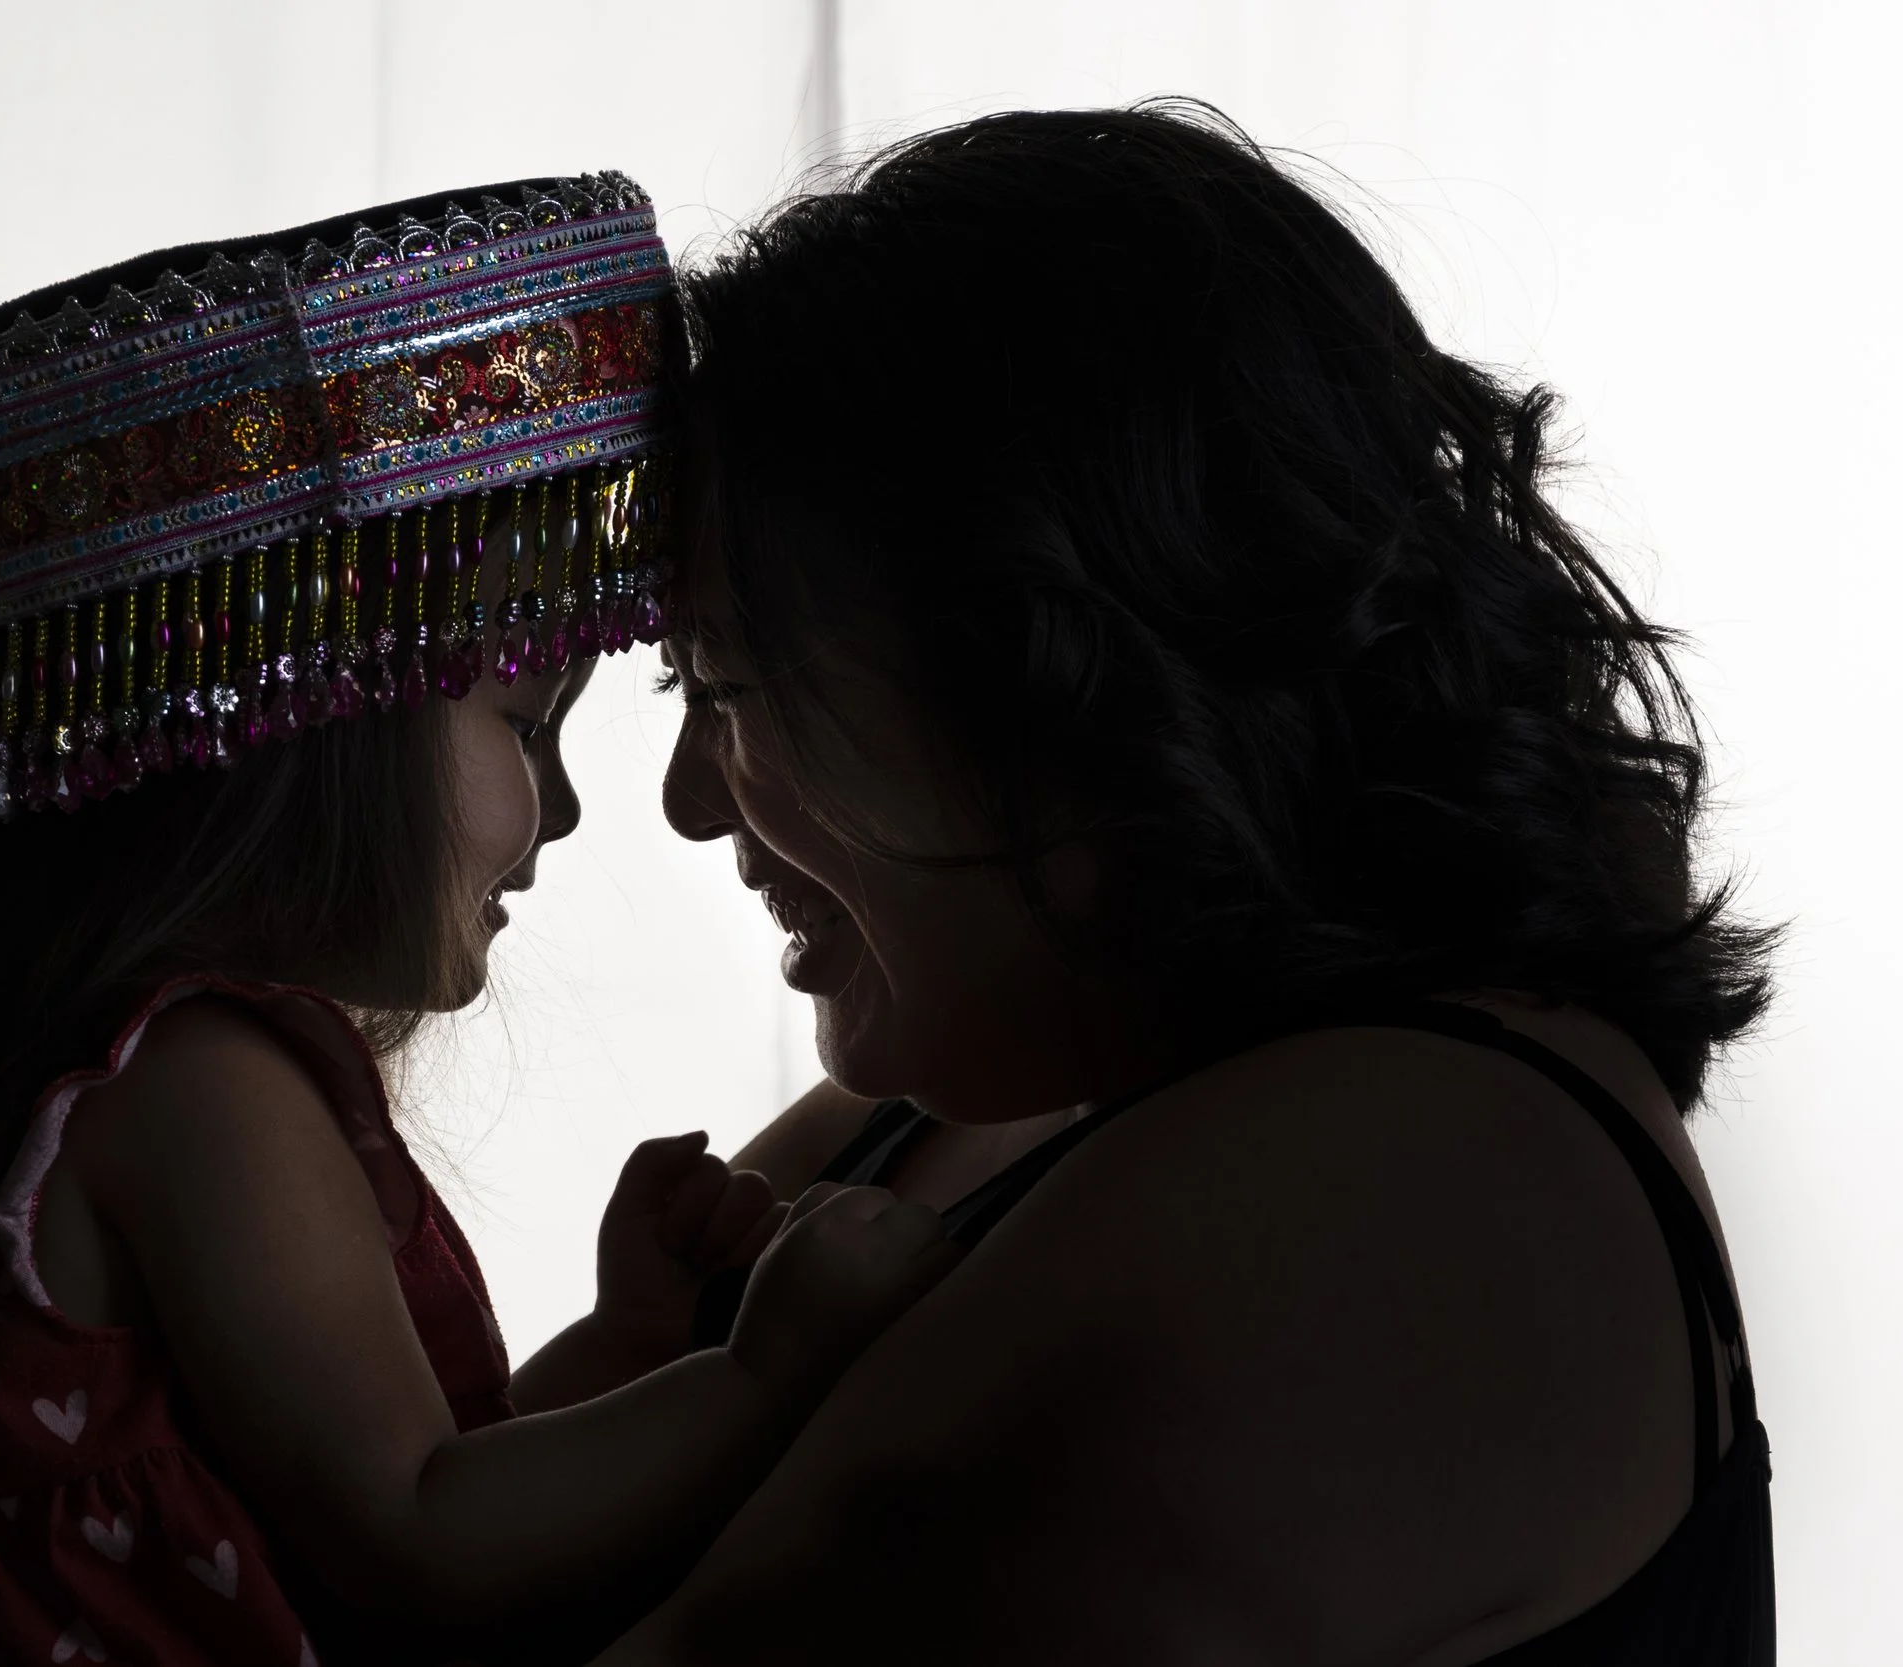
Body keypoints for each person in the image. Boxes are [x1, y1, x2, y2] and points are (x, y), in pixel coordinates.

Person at [0, 174, 954, 1667]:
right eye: (522, 723)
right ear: (318, 722)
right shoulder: (201, 1091)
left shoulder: (118, 1082)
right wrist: (772, 1371)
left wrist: (632, 1344)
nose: (565, 810)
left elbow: (377, 1493)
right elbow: (421, 1552)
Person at [629, 104, 1776, 1664]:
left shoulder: (1409, 1177)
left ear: (1037, 657)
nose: (695, 803)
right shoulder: (975, 1096)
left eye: (729, 682)